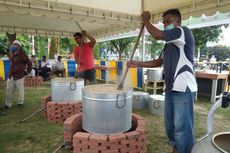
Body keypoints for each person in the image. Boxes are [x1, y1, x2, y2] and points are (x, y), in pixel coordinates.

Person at [128, 9, 197, 153]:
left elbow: (156, 34)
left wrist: (146, 20)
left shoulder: (182, 31)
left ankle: (185, 150)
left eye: (167, 21)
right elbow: (158, 62)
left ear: (177, 21)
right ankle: (176, 149)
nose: (165, 25)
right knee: (170, 125)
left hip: (183, 88)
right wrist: (138, 64)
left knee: (182, 127)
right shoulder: (169, 43)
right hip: (171, 89)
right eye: (163, 22)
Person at [3, 40, 32, 109]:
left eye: (15, 45)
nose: (13, 46)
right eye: (13, 44)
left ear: (19, 47)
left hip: (20, 75)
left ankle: (20, 103)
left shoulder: (23, 54)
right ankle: (8, 104)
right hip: (11, 74)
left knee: (20, 90)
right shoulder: (11, 54)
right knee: (9, 90)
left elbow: (29, 63)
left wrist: (27, 71)